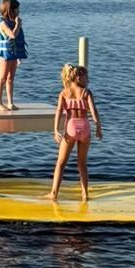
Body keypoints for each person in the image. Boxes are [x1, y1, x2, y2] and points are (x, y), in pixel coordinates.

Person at [49, 62, 102, 205]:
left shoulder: (64, 93)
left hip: (71, 127)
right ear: (78, 78)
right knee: (82, 164)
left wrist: (55, 130)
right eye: (86, 78)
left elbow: (59, 112)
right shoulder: (86, 93)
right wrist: (98, 126)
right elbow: (93, 111)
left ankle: (54, 193)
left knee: (61, 163)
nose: (88, 80)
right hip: (85, 126)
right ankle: (85, 193)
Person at [0, 0, 28, 110]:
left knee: (11, 78)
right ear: (10, 10)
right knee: (2, 78)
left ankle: (10, 102)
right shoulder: (2, 23)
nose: (19, 12)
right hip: (4, 55)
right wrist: (18, 25)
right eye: (17, 10)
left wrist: (18, 56)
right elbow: (12, 35)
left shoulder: (13, 21)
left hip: (13, 53)